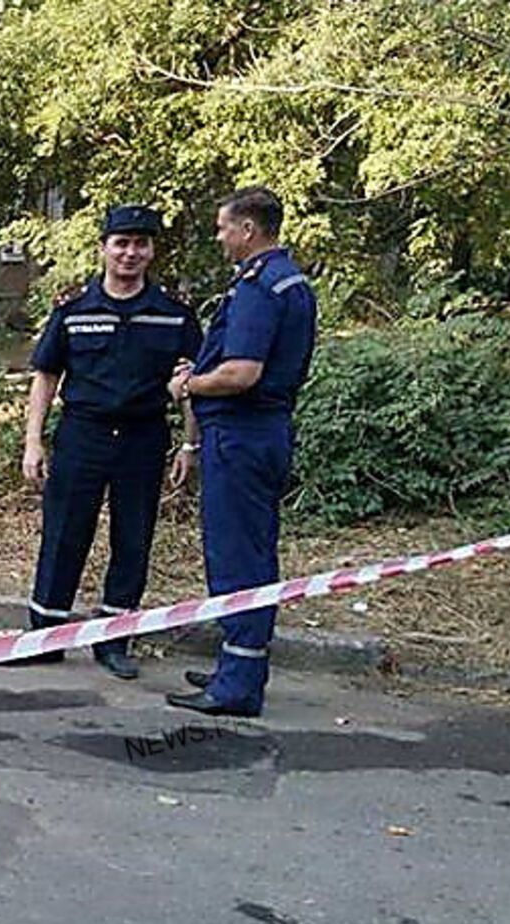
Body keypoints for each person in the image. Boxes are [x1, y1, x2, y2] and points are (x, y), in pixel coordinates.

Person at [12, 205, 201, 680]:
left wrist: (189, 444)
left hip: (142, 437)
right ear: (103, 248)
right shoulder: (74, 309)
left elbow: (191, 382)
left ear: (152, 250)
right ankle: (47, 635)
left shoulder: (173, 314)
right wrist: (33, 442)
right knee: (64, 534)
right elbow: (46, 376)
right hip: (82, 435)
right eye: (121, 243)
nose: (130, 253)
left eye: (141, 244)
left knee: (133, 538)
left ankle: (114, 639)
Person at [166, 186, 318, 717]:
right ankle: (238, 665)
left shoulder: (260, 286)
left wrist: (190, 386)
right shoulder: (290, 279)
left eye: (223, 227)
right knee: (249, 550)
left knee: (238, 557)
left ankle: (237, 687)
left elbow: (242, 373)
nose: (219, 236)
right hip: (260, 432)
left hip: (243, 435)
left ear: (248, 229)